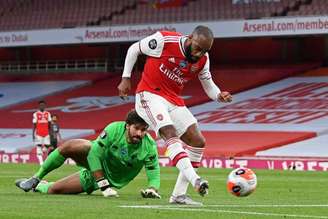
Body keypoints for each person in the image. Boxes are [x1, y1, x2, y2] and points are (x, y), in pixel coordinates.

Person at [118, 25, 232, 205]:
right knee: (169, 132)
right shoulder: (164, 41)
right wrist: (125, 78)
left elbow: (208, 85)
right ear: (190, 38)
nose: (199, 54)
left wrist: (218, 95)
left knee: (198, 141)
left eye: (204, 51)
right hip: (148, 94)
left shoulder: (203, 60)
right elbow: (134, 49)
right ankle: (196, 180)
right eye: (197, 48)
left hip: (172, 100)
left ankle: (179, 195)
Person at [16, 110, 161, 199]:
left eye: (144, 130)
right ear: (127, 125)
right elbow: (93, 155)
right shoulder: (114, 129)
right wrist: (103, 186)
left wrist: (152, 188)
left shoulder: (149, 146)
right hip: (97, 164)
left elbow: (153, 171)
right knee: (70, 146)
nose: (140, 134)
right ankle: (36, 178)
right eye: (137, 128)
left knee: (54, 190)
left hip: (109, 178)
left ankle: (40, 186)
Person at [32, 100, 52, 165]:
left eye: (43, 105)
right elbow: (34, 125)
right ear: (39, 106)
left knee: (47, 145)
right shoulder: (35, 114)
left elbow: (49, 124)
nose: (42, 106)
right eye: (41, 105)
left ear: (45, 106)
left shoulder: (48, 114)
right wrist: (33, 134)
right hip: (38, 133)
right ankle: (41, 162)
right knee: (39, 146)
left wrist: (50, 132)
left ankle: (42, 152)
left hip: (46, 133)